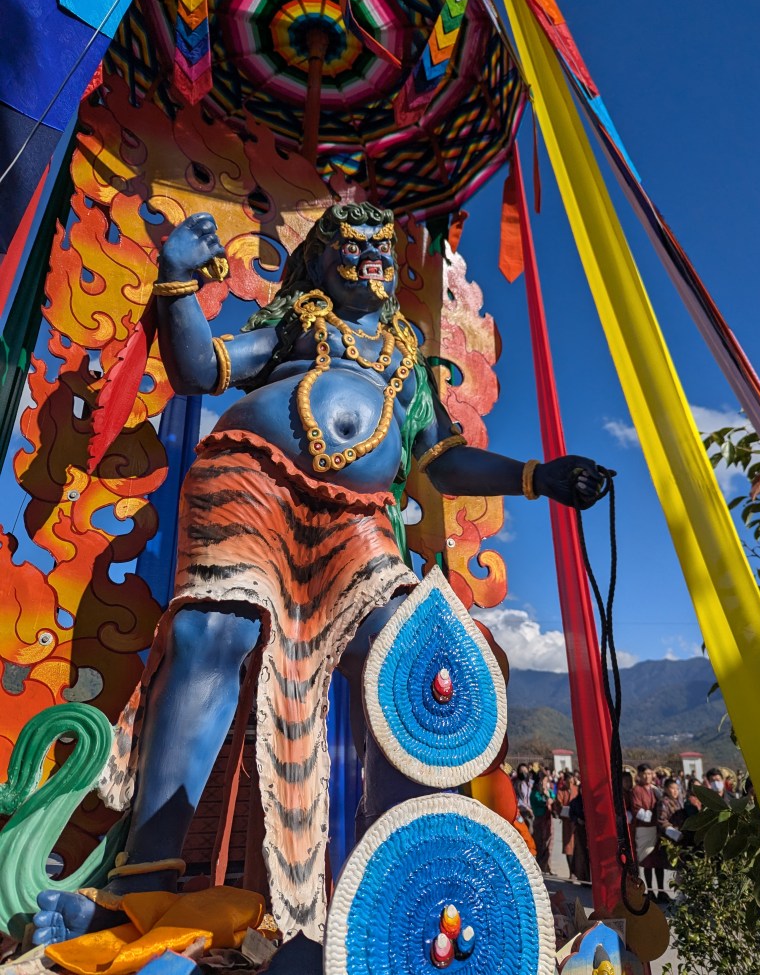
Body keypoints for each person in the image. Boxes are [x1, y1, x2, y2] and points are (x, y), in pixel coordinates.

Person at [32, 206, 607, 963]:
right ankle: (141, 884)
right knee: (213, 634)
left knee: (409, 661)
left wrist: (536, 476)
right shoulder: (297, 325)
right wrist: (177, 282)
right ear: (319, 261)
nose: (369, 258)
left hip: (357, 517)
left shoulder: (406, 361)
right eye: (350, 244)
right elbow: (200, 369)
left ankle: (394, 895)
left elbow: (442, 462)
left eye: (380, 247)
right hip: (254, 476)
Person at [631, 762, 666, 899]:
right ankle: (650, 891)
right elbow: (637, 809)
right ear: (639, 775)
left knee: (659, 862)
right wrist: (651, 816)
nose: (647, 776)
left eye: (650, 773)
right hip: (644, 829)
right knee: (647, 862)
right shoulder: (637, 790)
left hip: (657, 828)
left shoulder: (655, 789)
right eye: (644, 774)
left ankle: (661, 890)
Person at [656, 777, 685, 897]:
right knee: (674, 867)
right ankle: (675, 895)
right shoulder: (664, 802)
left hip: (680, 839)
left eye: (677, 789)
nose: (675, 791)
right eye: (672, 788)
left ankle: (681, 893)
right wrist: (672, 832)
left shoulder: (679, 801)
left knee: (681, 867)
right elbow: (662, 820)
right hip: (670, 840)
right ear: (666, 789)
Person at [555, 771, 578, 880]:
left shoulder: (576, 789)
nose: (570, 783)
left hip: (576, 822)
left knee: (577, 847)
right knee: (568, 847)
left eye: (571, 780)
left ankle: (577, 871)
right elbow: (558, 805)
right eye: (568, 781)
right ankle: (571, 872)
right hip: (567, 822)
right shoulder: (561, 791)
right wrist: (563, 808)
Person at [531, 771, 554, 874]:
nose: (546, 783)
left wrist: (548, 795)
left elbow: (553, 797)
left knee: (549, 843)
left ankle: (547, 866)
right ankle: (540, 866)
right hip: (540, 820)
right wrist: (547, 797)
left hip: (548, 820)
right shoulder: (535, 794)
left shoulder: (547, 791)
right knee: (540, 843)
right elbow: (542, 801)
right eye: (544, 781)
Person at [514, 764, 535, 833]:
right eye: (521, 771)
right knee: (523, 832)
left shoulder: (531, 783)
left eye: (525, 770)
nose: (523, 772)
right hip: (522, 811)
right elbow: (517, 799)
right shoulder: (517, 784)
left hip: (532, 811)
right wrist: (527, 809)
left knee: (532, 832)